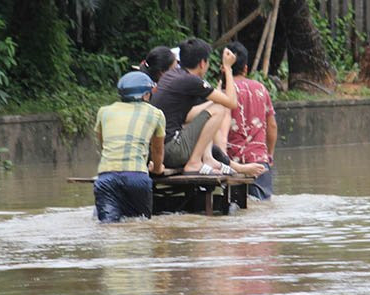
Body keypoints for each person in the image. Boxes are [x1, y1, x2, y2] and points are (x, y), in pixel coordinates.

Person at [149, 37, 265, 177]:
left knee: (210, 107)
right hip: (171, 151)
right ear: (203, 63)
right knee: (219, 108)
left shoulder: (173, 75)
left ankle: (208, 158)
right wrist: (228, 68)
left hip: (157, 151)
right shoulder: (191, 80)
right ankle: (195, 162)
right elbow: (231, 103)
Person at [93, 71, 166, 223]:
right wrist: (158, 168)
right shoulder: (156, 114)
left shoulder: (104, 112)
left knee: (109, 228)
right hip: (137, 177)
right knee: (139, 226)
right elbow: (157, 150)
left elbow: (103, 144)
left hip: (106, 177)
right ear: (146, 95)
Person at [222, 42, 277, 200]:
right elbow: (272, 125)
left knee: (233, 207)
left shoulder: (223, 92)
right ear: (246, 68)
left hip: (231, 163)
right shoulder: (261, 89)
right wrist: (269, 155)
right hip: (259, 161)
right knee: (262, 206)